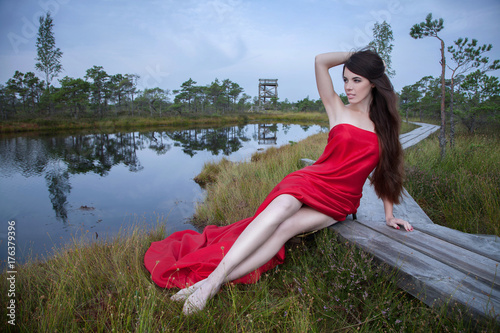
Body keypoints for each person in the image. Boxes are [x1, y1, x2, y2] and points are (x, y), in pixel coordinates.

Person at [144, 49, 414, 315]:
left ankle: (210, 282)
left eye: (357, 80)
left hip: (339, 201)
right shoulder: (337, 108)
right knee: (282, 208)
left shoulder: (385, 128)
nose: (348, 87)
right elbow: (320, 61)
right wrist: (354, 56)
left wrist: (389, 216)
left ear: (374, 83)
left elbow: (387, 173)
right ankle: (211, 283)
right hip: (311, 180)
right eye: (345, 79)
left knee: (287, 227)